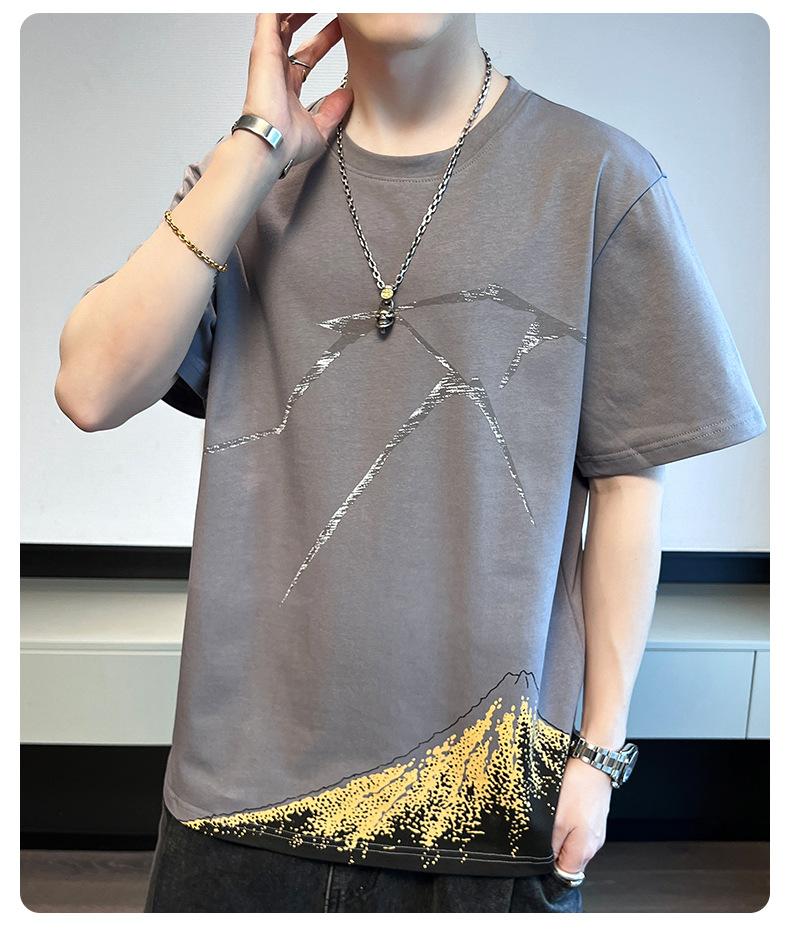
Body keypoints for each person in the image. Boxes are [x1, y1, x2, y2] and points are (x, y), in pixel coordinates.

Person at [55, 13, 766, 913]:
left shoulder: (597, 177)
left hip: (485, 810)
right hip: (236, 800)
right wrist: (254, 145)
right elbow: (90, 389)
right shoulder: (250, 181)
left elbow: (629, 485)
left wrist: (598, 757)